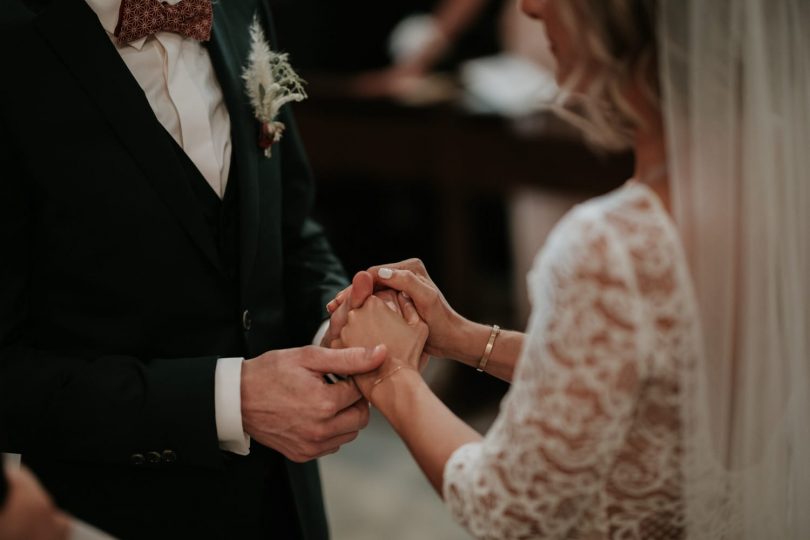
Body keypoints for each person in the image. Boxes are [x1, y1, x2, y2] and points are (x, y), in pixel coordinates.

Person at [329, 0, 810, 537]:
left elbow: (507, 508)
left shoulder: (612, 245)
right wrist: (463, 337)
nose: (530, 8)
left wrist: (392, 374)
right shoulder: (785, 178)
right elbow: (651, 379)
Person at [0, 0, 384, 538]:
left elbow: (290, 227)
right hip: (119, 512)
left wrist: (337, 319)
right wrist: (229, 401)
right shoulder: (13, 47)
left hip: (287, 504)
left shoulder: (240, 9)